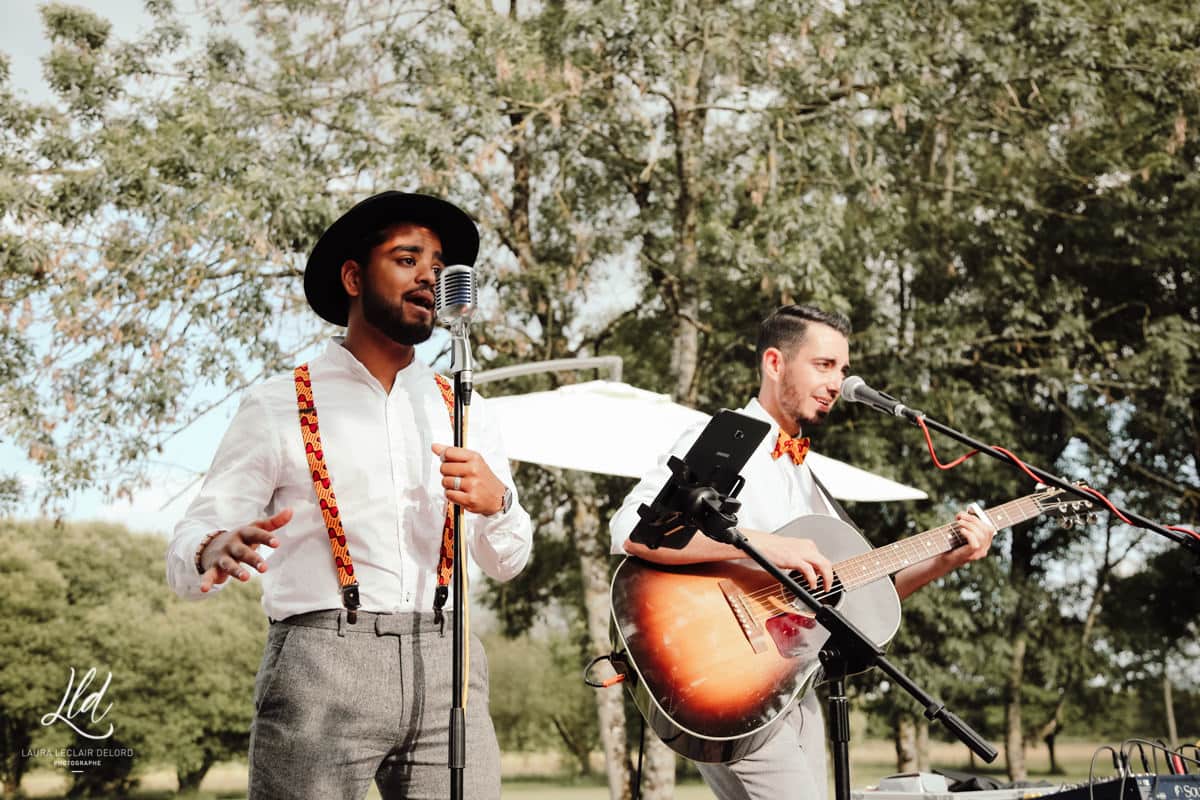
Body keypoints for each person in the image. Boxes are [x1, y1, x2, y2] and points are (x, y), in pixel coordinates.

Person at [166, 191, 533, 800]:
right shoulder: (278, 404)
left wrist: (500, 503)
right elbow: (189, 544)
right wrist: (213, 547)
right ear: (354, 276)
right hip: (320, 663)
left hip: (448, 661)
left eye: (439, 265)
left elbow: (508, 562)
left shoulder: (464, 407)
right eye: (407, 258)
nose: (429, 276)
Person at [609, 304, 996, 800]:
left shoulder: (808, 477)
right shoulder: (725, 440)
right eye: (824, 365)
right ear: (775, 363)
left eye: (843, 369)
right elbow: (633, 530)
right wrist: (766, 544)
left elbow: (862, 593)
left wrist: (950, 557)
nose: (838, 383)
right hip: (727, 677)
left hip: (794, 686)